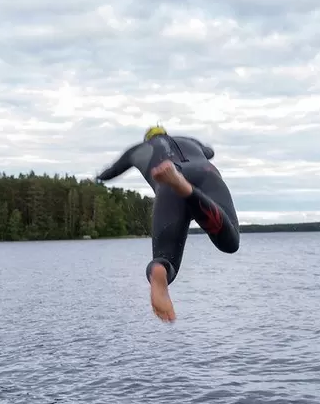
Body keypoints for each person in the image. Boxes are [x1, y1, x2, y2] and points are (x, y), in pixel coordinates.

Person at [96, 125, 240, 322]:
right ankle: (187, 189)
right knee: (230, 243)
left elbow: (111, 172)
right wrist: (204, 149)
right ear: (165, 133)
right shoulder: (189, 140)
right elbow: (210, 152)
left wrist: (97, 177)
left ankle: (158, 273)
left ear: (148, 139)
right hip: (206, 174)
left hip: (167, 184)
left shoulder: (137, 149)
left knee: (165, 261)